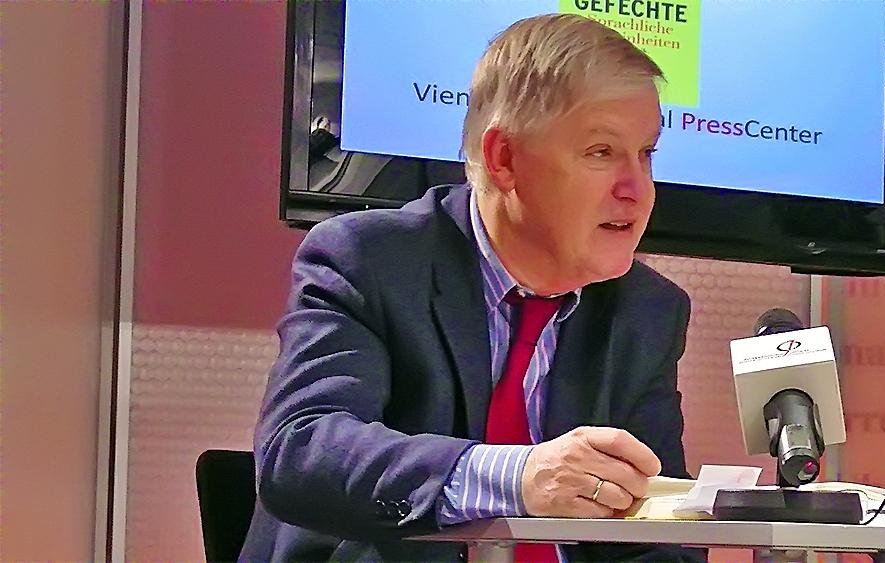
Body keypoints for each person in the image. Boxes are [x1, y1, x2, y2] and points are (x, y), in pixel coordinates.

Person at [240, 13, 705, 563]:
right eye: (601, 152)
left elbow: (660, 534)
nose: (637, 189)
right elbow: (300, 450)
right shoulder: (370, 260)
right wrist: (515, 476)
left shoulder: (647, 310)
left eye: (646, 154)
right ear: (503, 159)